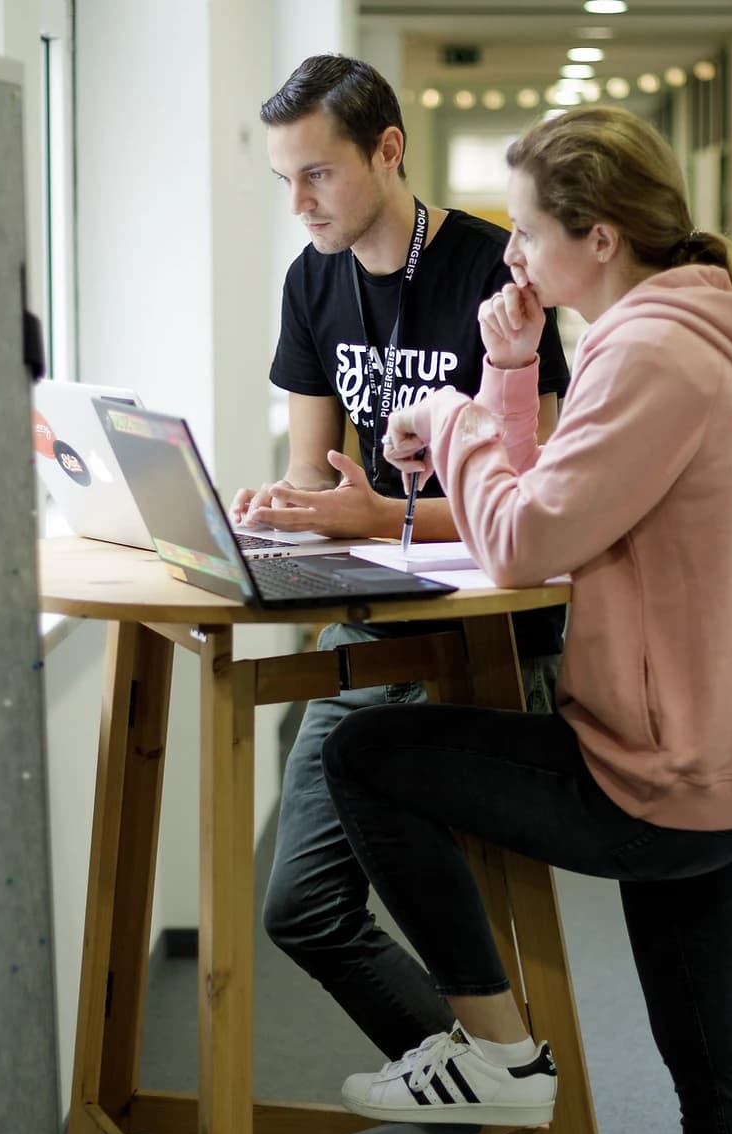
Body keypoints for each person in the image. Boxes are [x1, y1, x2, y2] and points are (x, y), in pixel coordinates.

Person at [319, 104, 732, 1134]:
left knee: (366, 754)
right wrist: (508, 372)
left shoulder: (650, 358)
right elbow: (559, 502)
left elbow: (519, 539)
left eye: (527, 231)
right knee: (715, 1083)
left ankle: (495, 1055)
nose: (508, 252)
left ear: (600, 239)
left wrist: (454, 415)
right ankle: (494, 1058)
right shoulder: (671, 333)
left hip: (664, 776)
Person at [242, 54, 574, 1061]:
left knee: (471, 911)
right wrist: (276, 511)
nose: (299, 203)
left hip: (489, 634)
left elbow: (539, 507)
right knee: (301, 909)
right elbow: (314, 480)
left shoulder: (488, 272)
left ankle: (503, 1090)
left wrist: (371, 515)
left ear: (387, 150)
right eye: (283, 181)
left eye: (317, 174)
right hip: (372, 616)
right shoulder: (312, 281)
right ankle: (490, 1092)